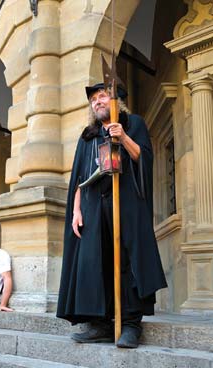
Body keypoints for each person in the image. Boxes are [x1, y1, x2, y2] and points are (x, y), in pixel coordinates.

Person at [56, 83, 168, 349]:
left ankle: (130, 324)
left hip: (126, 202)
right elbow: (79, 178)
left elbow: (144, 158)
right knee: (97, 261)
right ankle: (103, 324)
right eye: (93, 99)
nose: (97, 102)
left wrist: (123, 137)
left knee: (128, 260)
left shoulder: (133, 123)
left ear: (115, 100)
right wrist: (76, 210)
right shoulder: (88, 136)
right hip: (94, 206)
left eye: (102, 96)